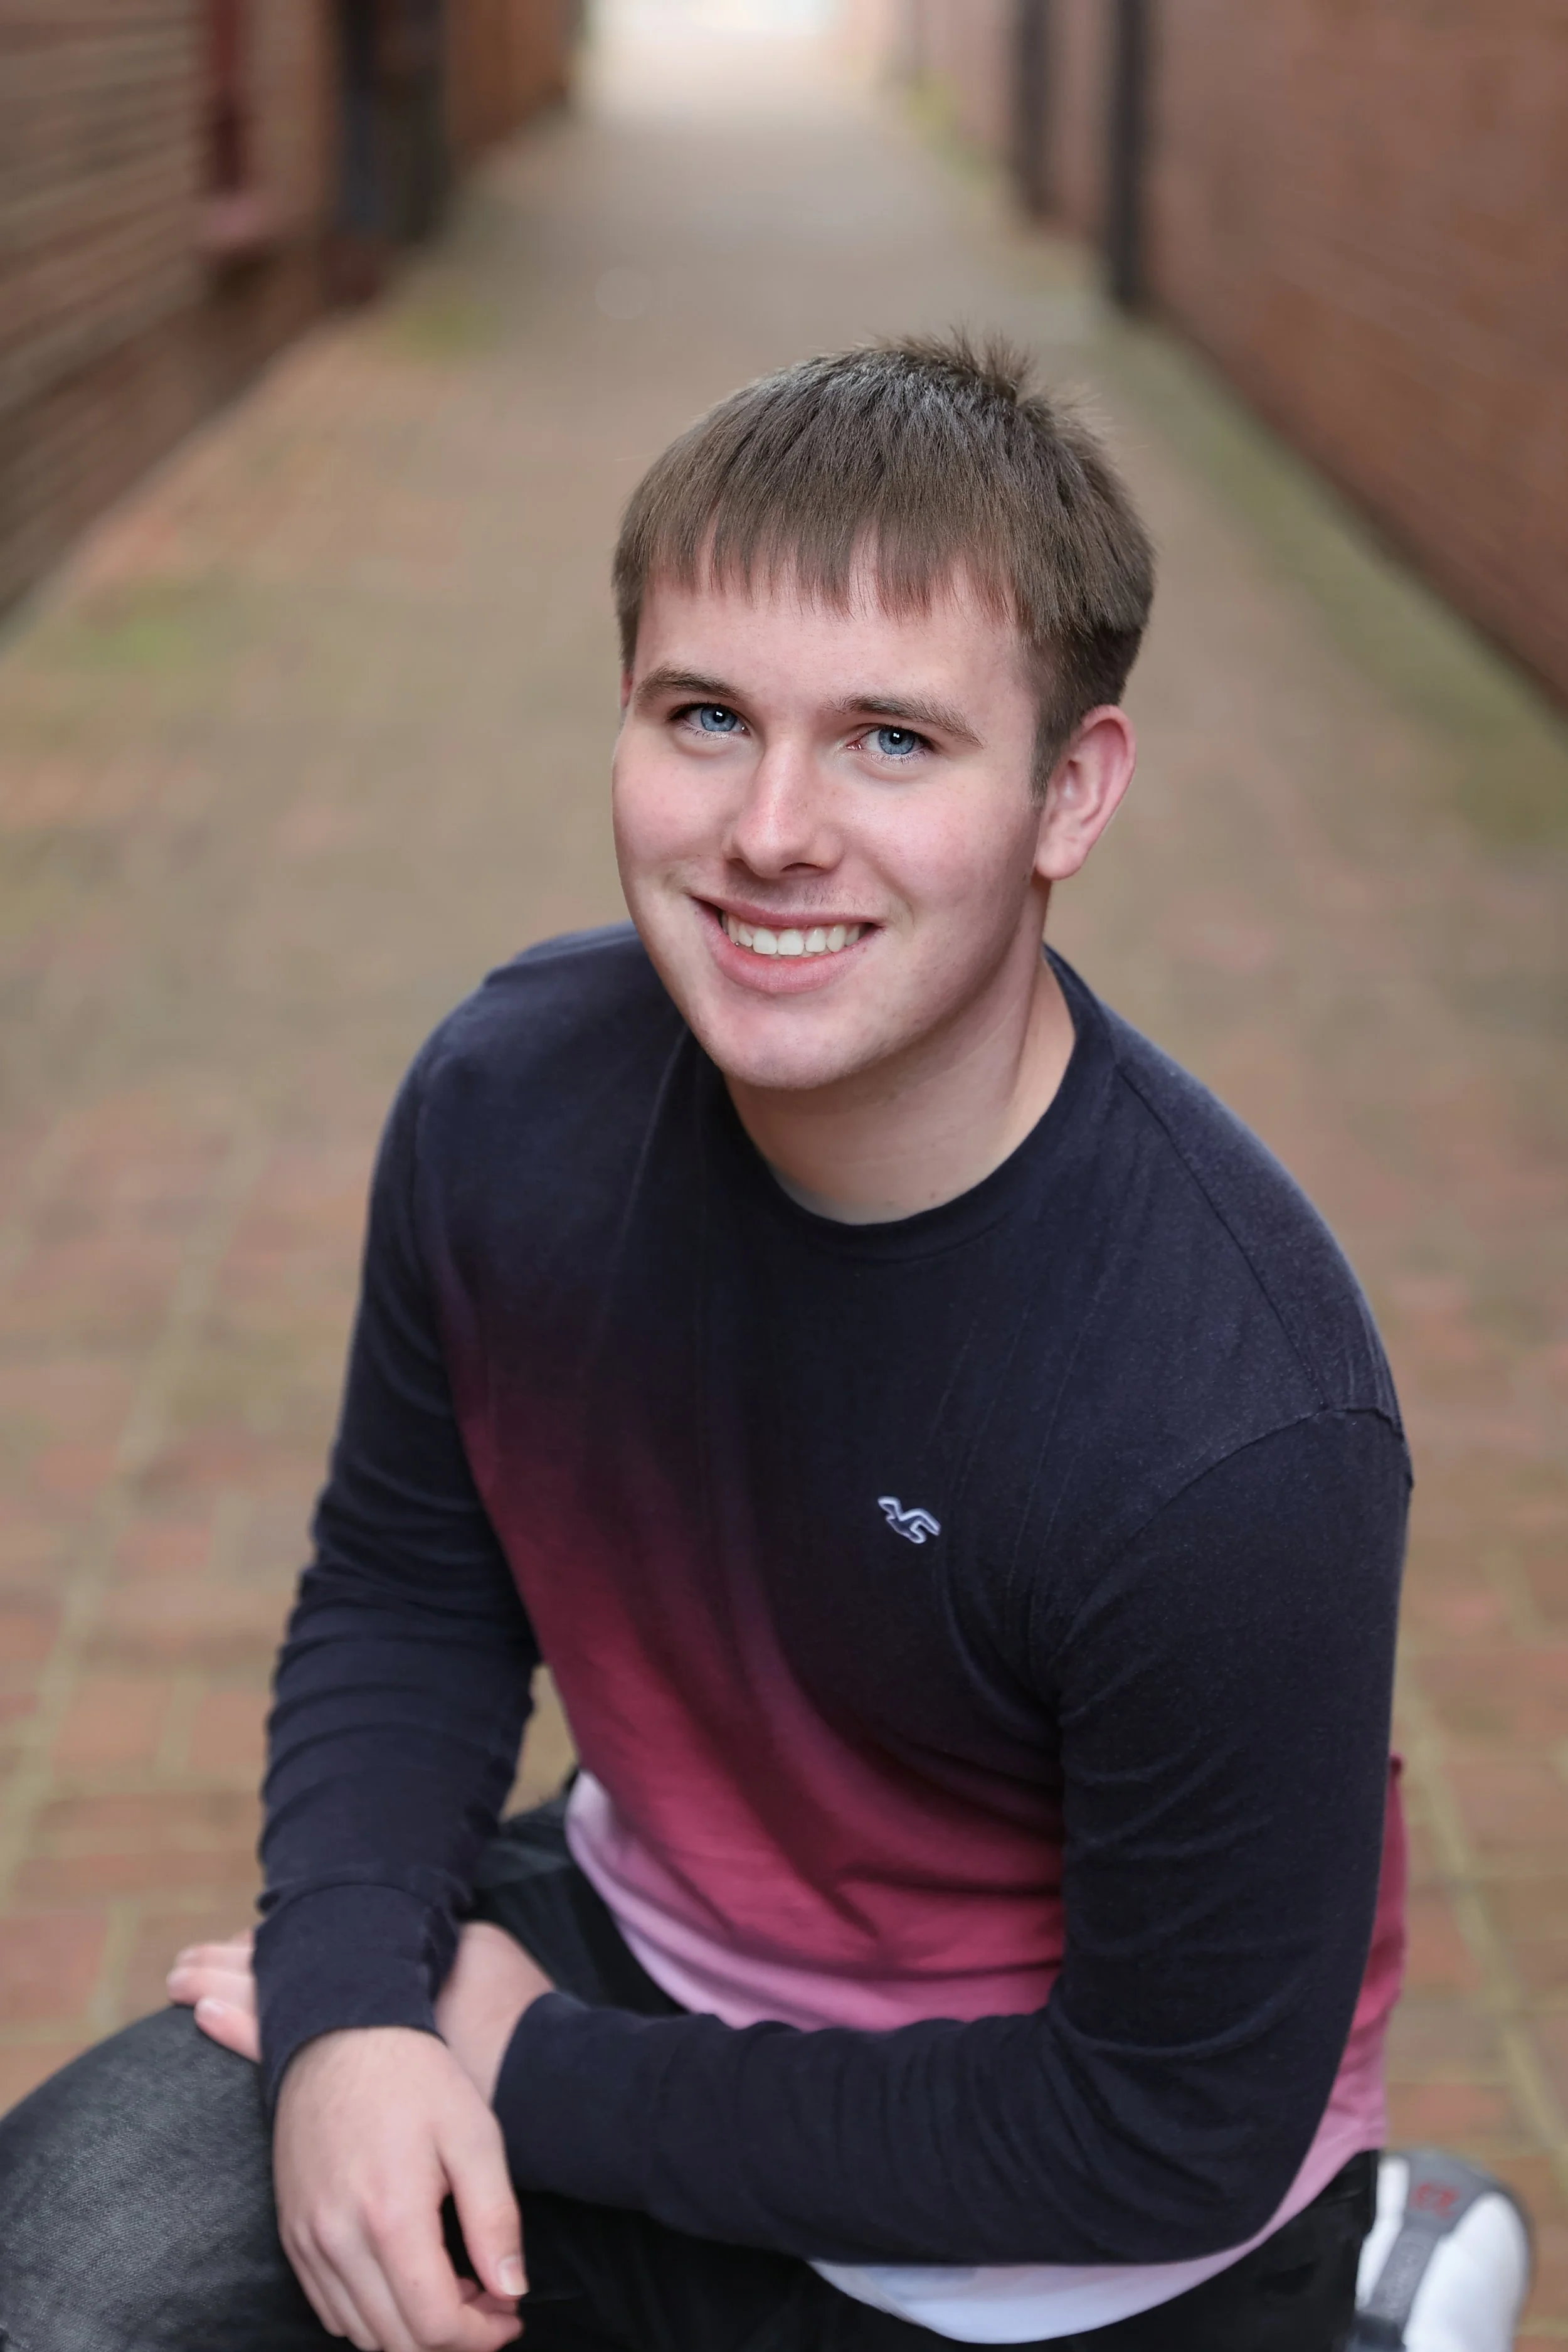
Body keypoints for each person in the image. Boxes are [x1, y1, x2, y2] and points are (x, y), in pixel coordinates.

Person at [0, 334, 1410, 2352]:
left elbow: (1165, 2121)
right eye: (704, 714)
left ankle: (1390, 2282)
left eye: (891, 742)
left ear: (1068, 792)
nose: (769, 828)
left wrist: (525, 2064)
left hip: (1063, 2224)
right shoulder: (508, 1105)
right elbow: (409, 1585)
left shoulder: (1233, 1412)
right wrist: (347, 2023)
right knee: (55, 2288)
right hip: (640, 1954)